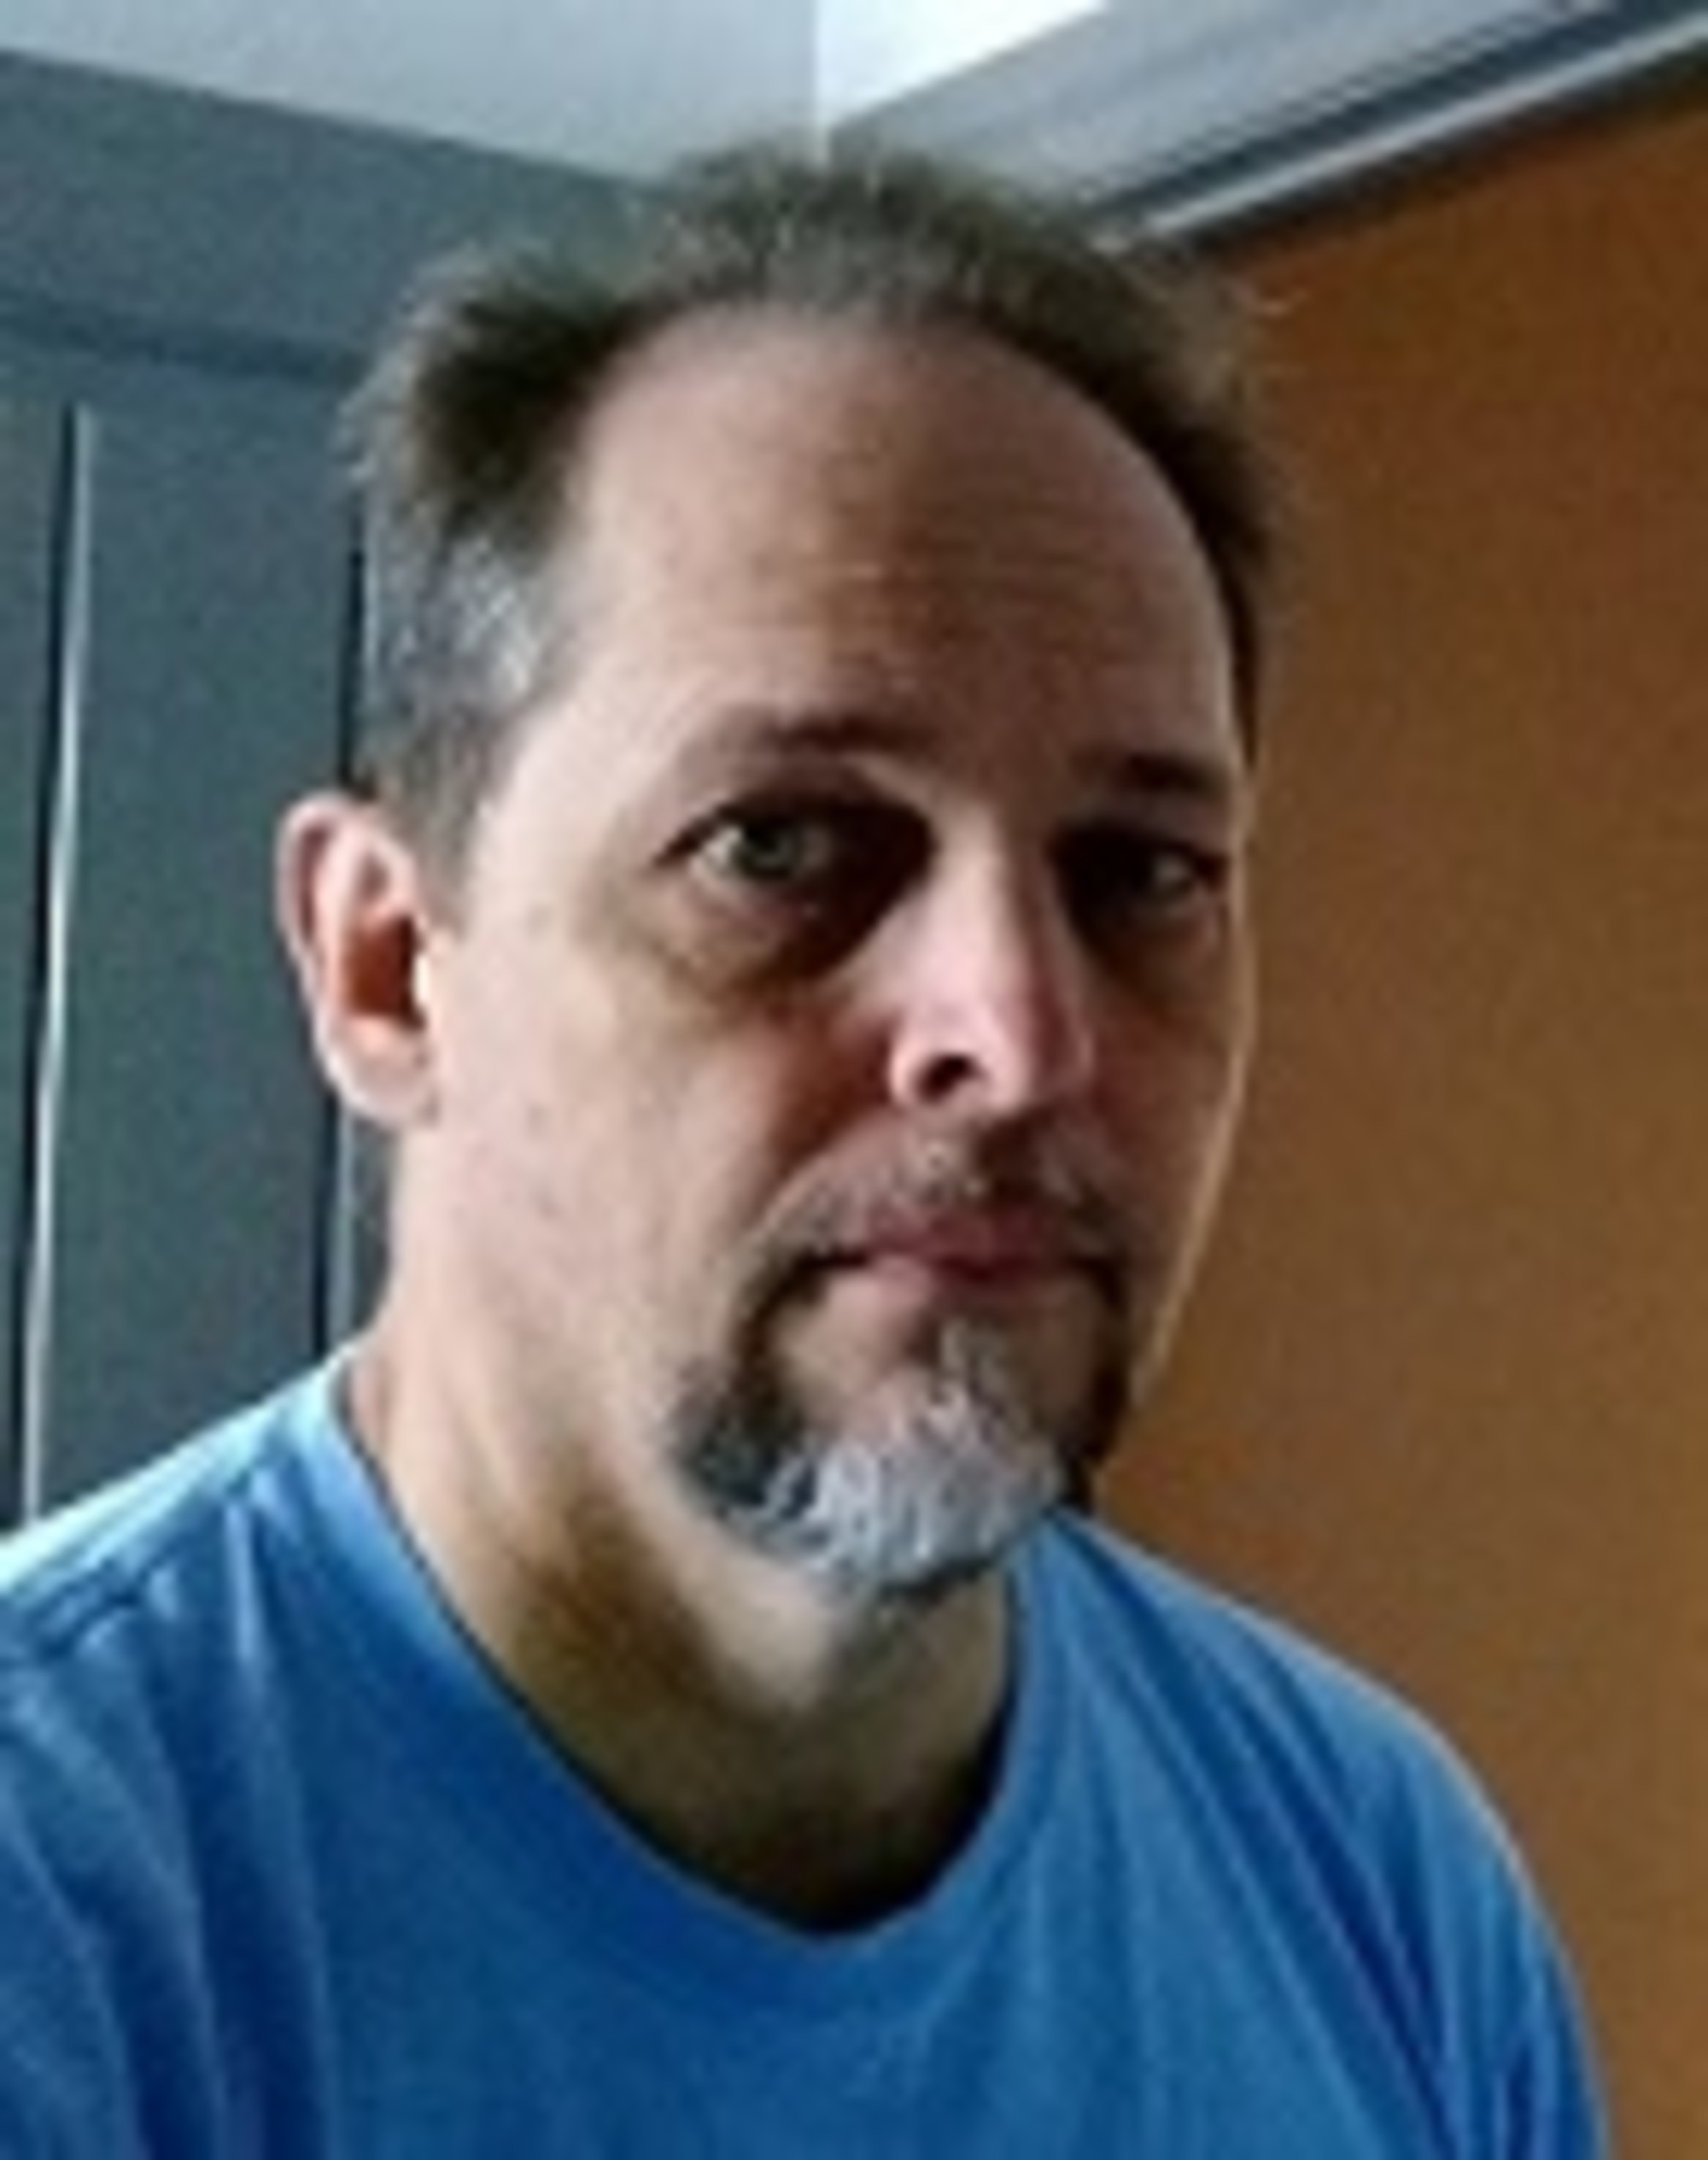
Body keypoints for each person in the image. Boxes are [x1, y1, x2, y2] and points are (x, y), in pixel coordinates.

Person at [0, 148, 1605, 2154]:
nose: (1019, 1038)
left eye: (1140, 869)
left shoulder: (1382, 1886)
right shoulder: (63, 1901)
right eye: (779, 844)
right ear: (389, 965)